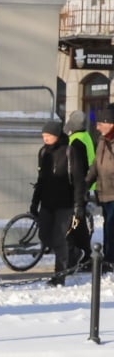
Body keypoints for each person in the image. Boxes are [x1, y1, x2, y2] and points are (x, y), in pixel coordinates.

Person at [31, 120, 76, 287]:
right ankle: (73, 252)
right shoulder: (43, 153)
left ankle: (59, 275)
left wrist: (78, 203)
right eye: (43, 136)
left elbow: (77, 179)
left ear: (57, 135)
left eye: (48, 136)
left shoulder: (69, 152)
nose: (45, 139)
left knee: (59, 238)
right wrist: (35, 202)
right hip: (47, 202)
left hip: (65, 202)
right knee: (44, 235)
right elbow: (41, 179)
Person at [64, 110, 95, 270]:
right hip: (86, 185)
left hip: (80, 186)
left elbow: (77, 167)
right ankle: (86, 256)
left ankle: (83, 254)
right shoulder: (86, 136)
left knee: (76, 223)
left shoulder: (75, 141)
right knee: (79, 223)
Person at [94, 114, 114, 269]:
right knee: (108, 226)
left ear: (110, 124)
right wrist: (86, 183)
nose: (97, 127)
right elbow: (96, 165)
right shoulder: (102, 140)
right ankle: (108, 258)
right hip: (104, 191)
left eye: (100, 123)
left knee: (111, 226)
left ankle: (110, 259)